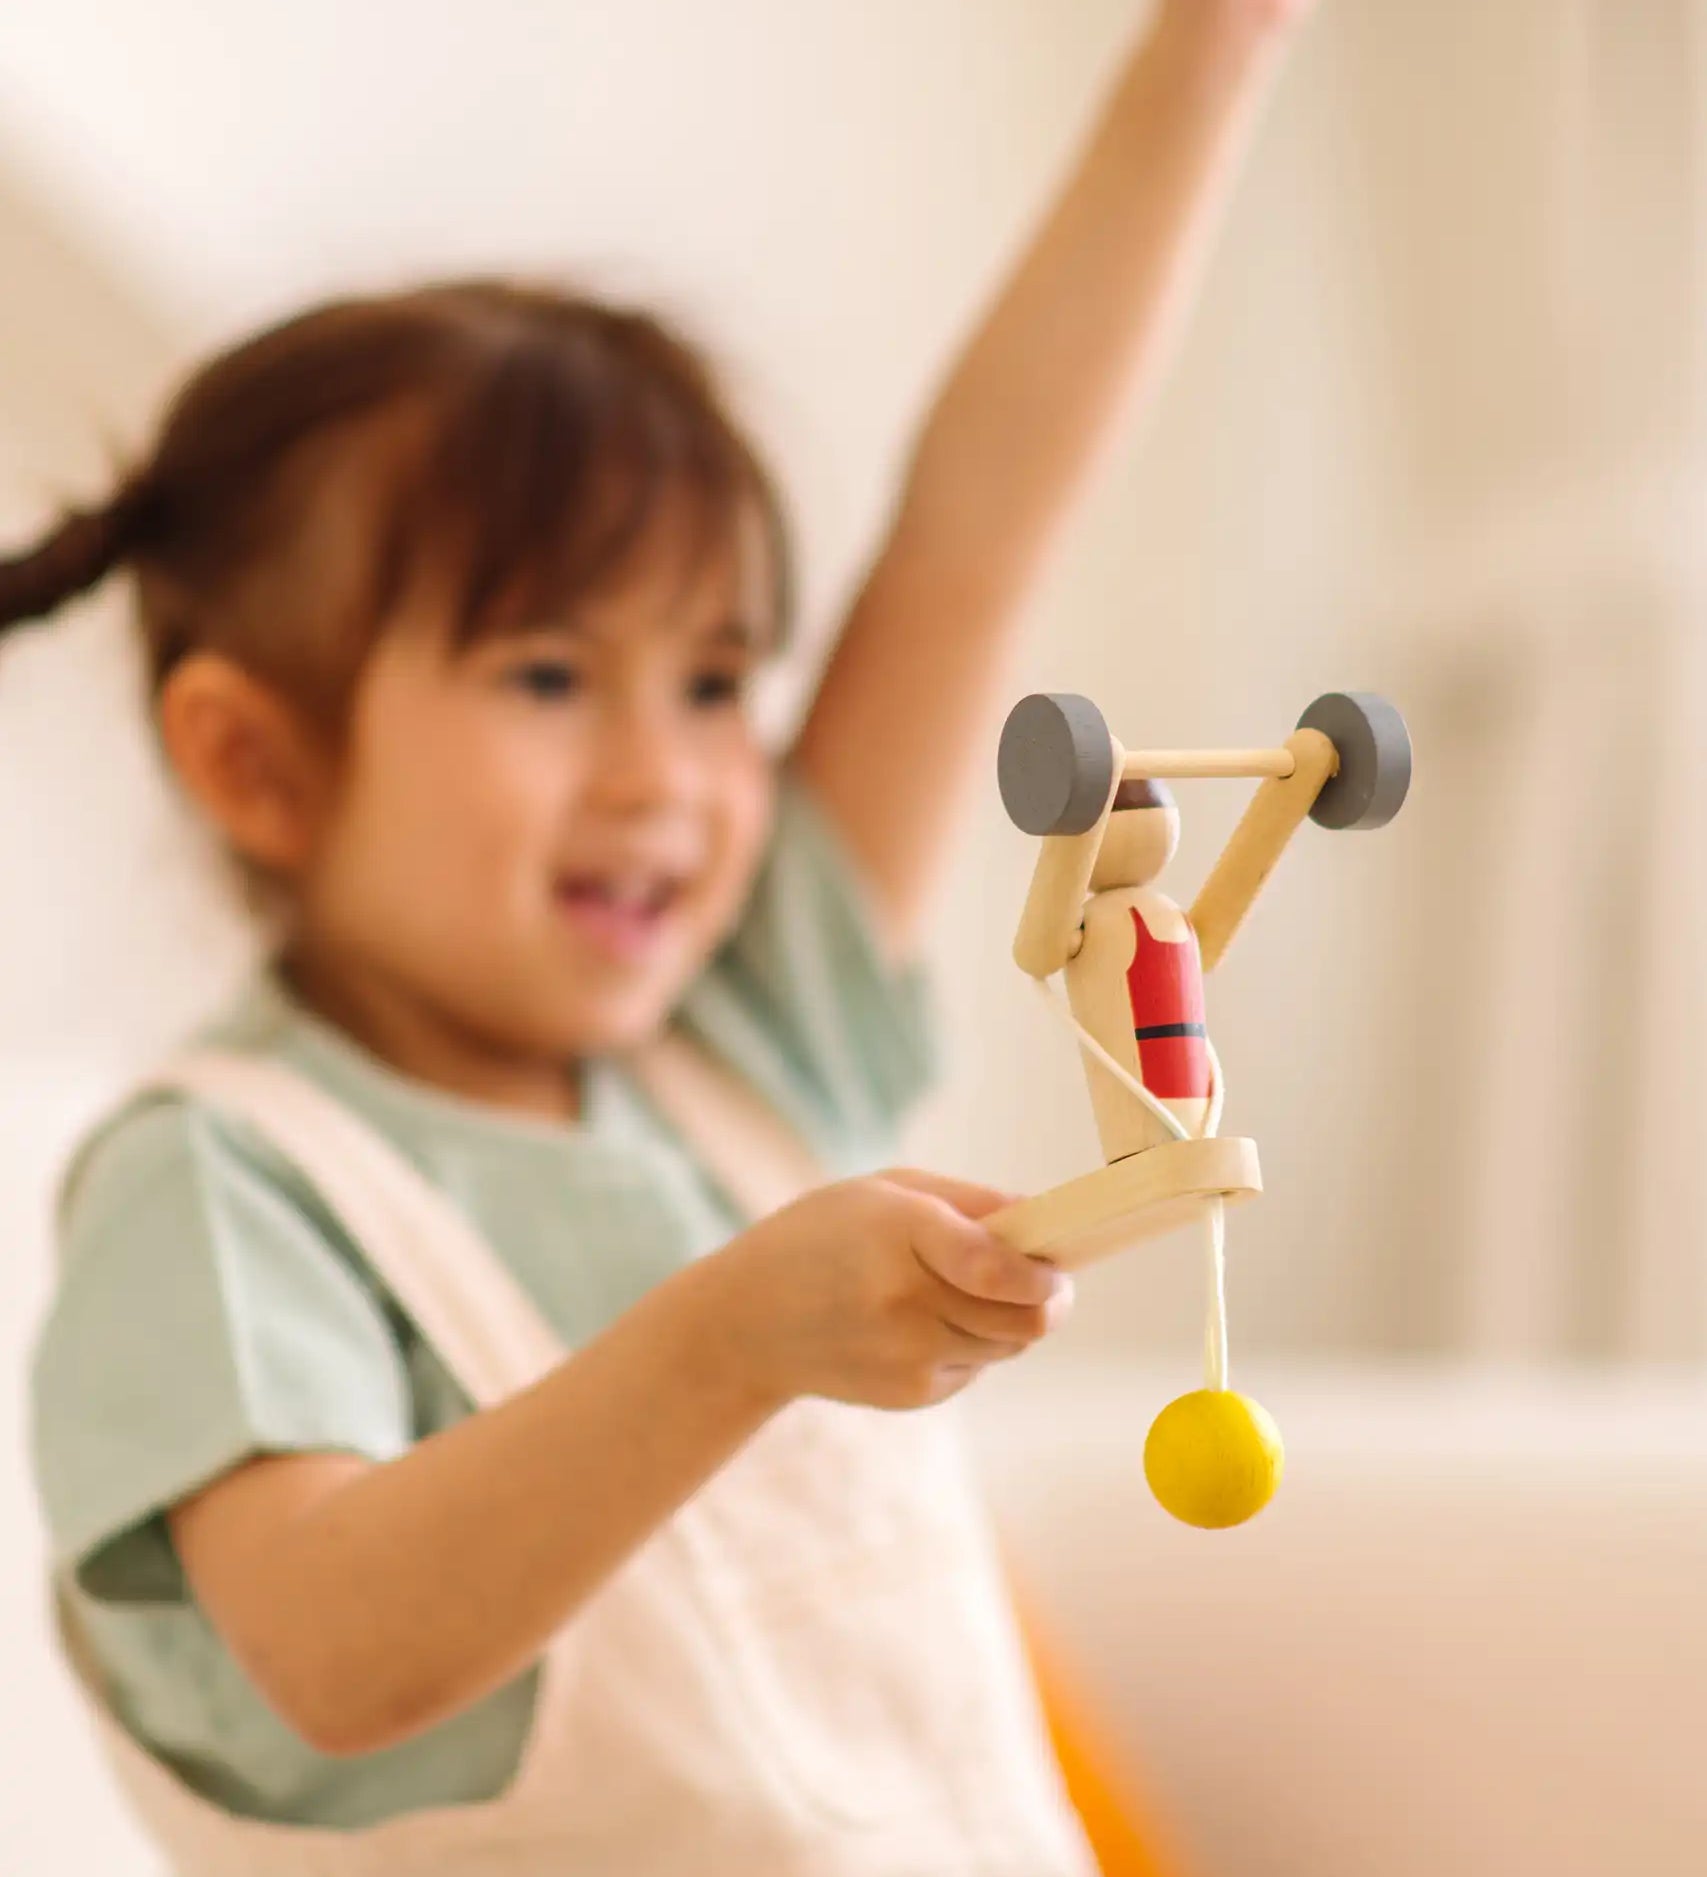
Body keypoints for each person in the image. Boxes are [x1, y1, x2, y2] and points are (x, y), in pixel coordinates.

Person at [11, 4, 1316, 1869]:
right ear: (256, 761)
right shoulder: (216, 1181)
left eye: (717, 678)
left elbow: (973, 534)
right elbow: (332, 1649)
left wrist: (1211, 57)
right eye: (549, 672)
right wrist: (723, 1338)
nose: (674, 776)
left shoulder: (743, 1022)